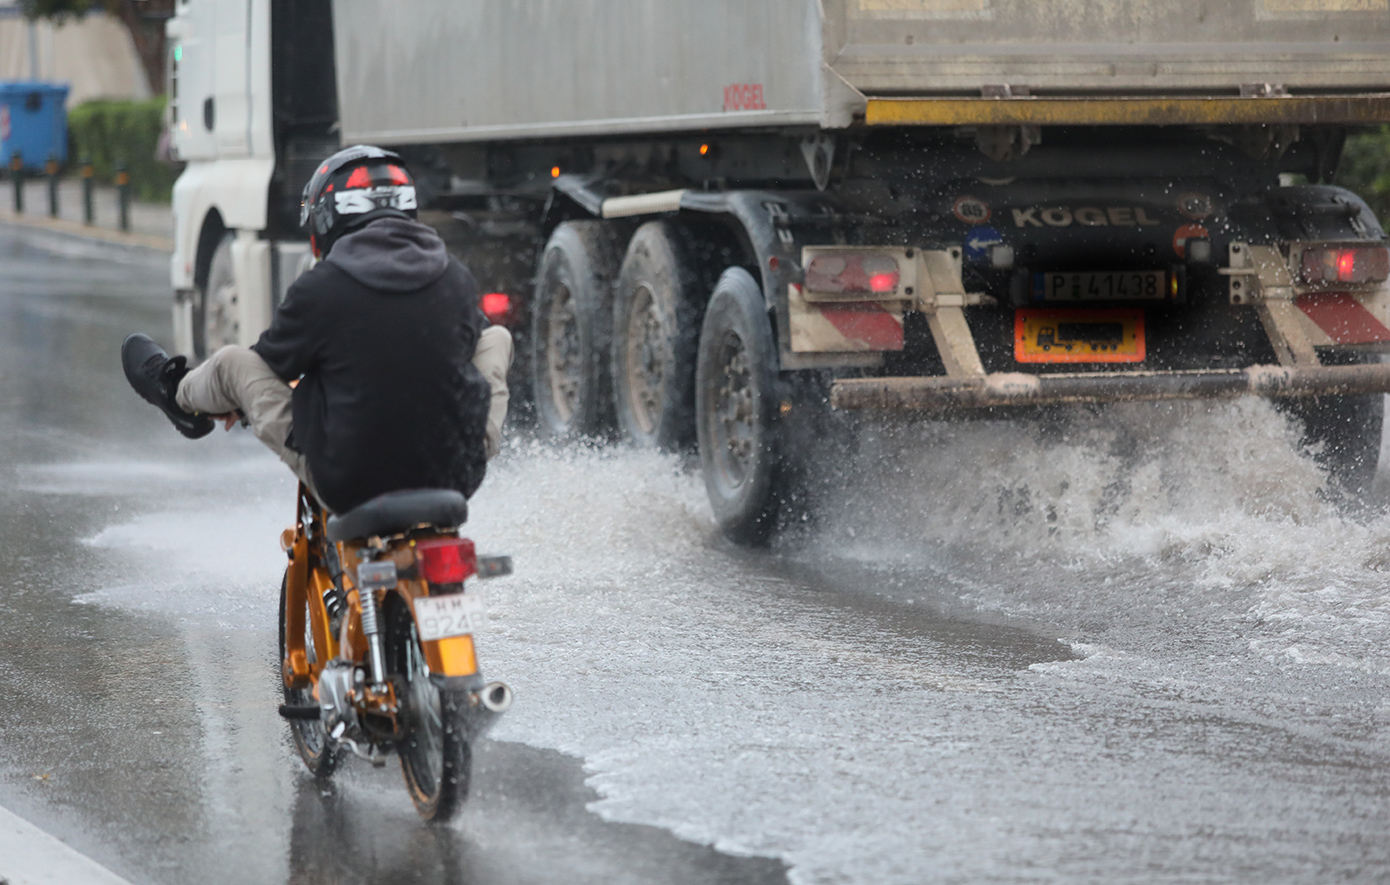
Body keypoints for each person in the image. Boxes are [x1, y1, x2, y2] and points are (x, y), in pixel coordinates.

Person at [121, 145, 512, 514]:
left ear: (328, 219)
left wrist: (229, 400)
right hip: (458, 474)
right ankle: (471, 445)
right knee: (496, 337)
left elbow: (269, 367)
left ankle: (179, 397)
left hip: (350, 481)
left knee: (234, 364)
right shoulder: (455, 279)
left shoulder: (322, 287)